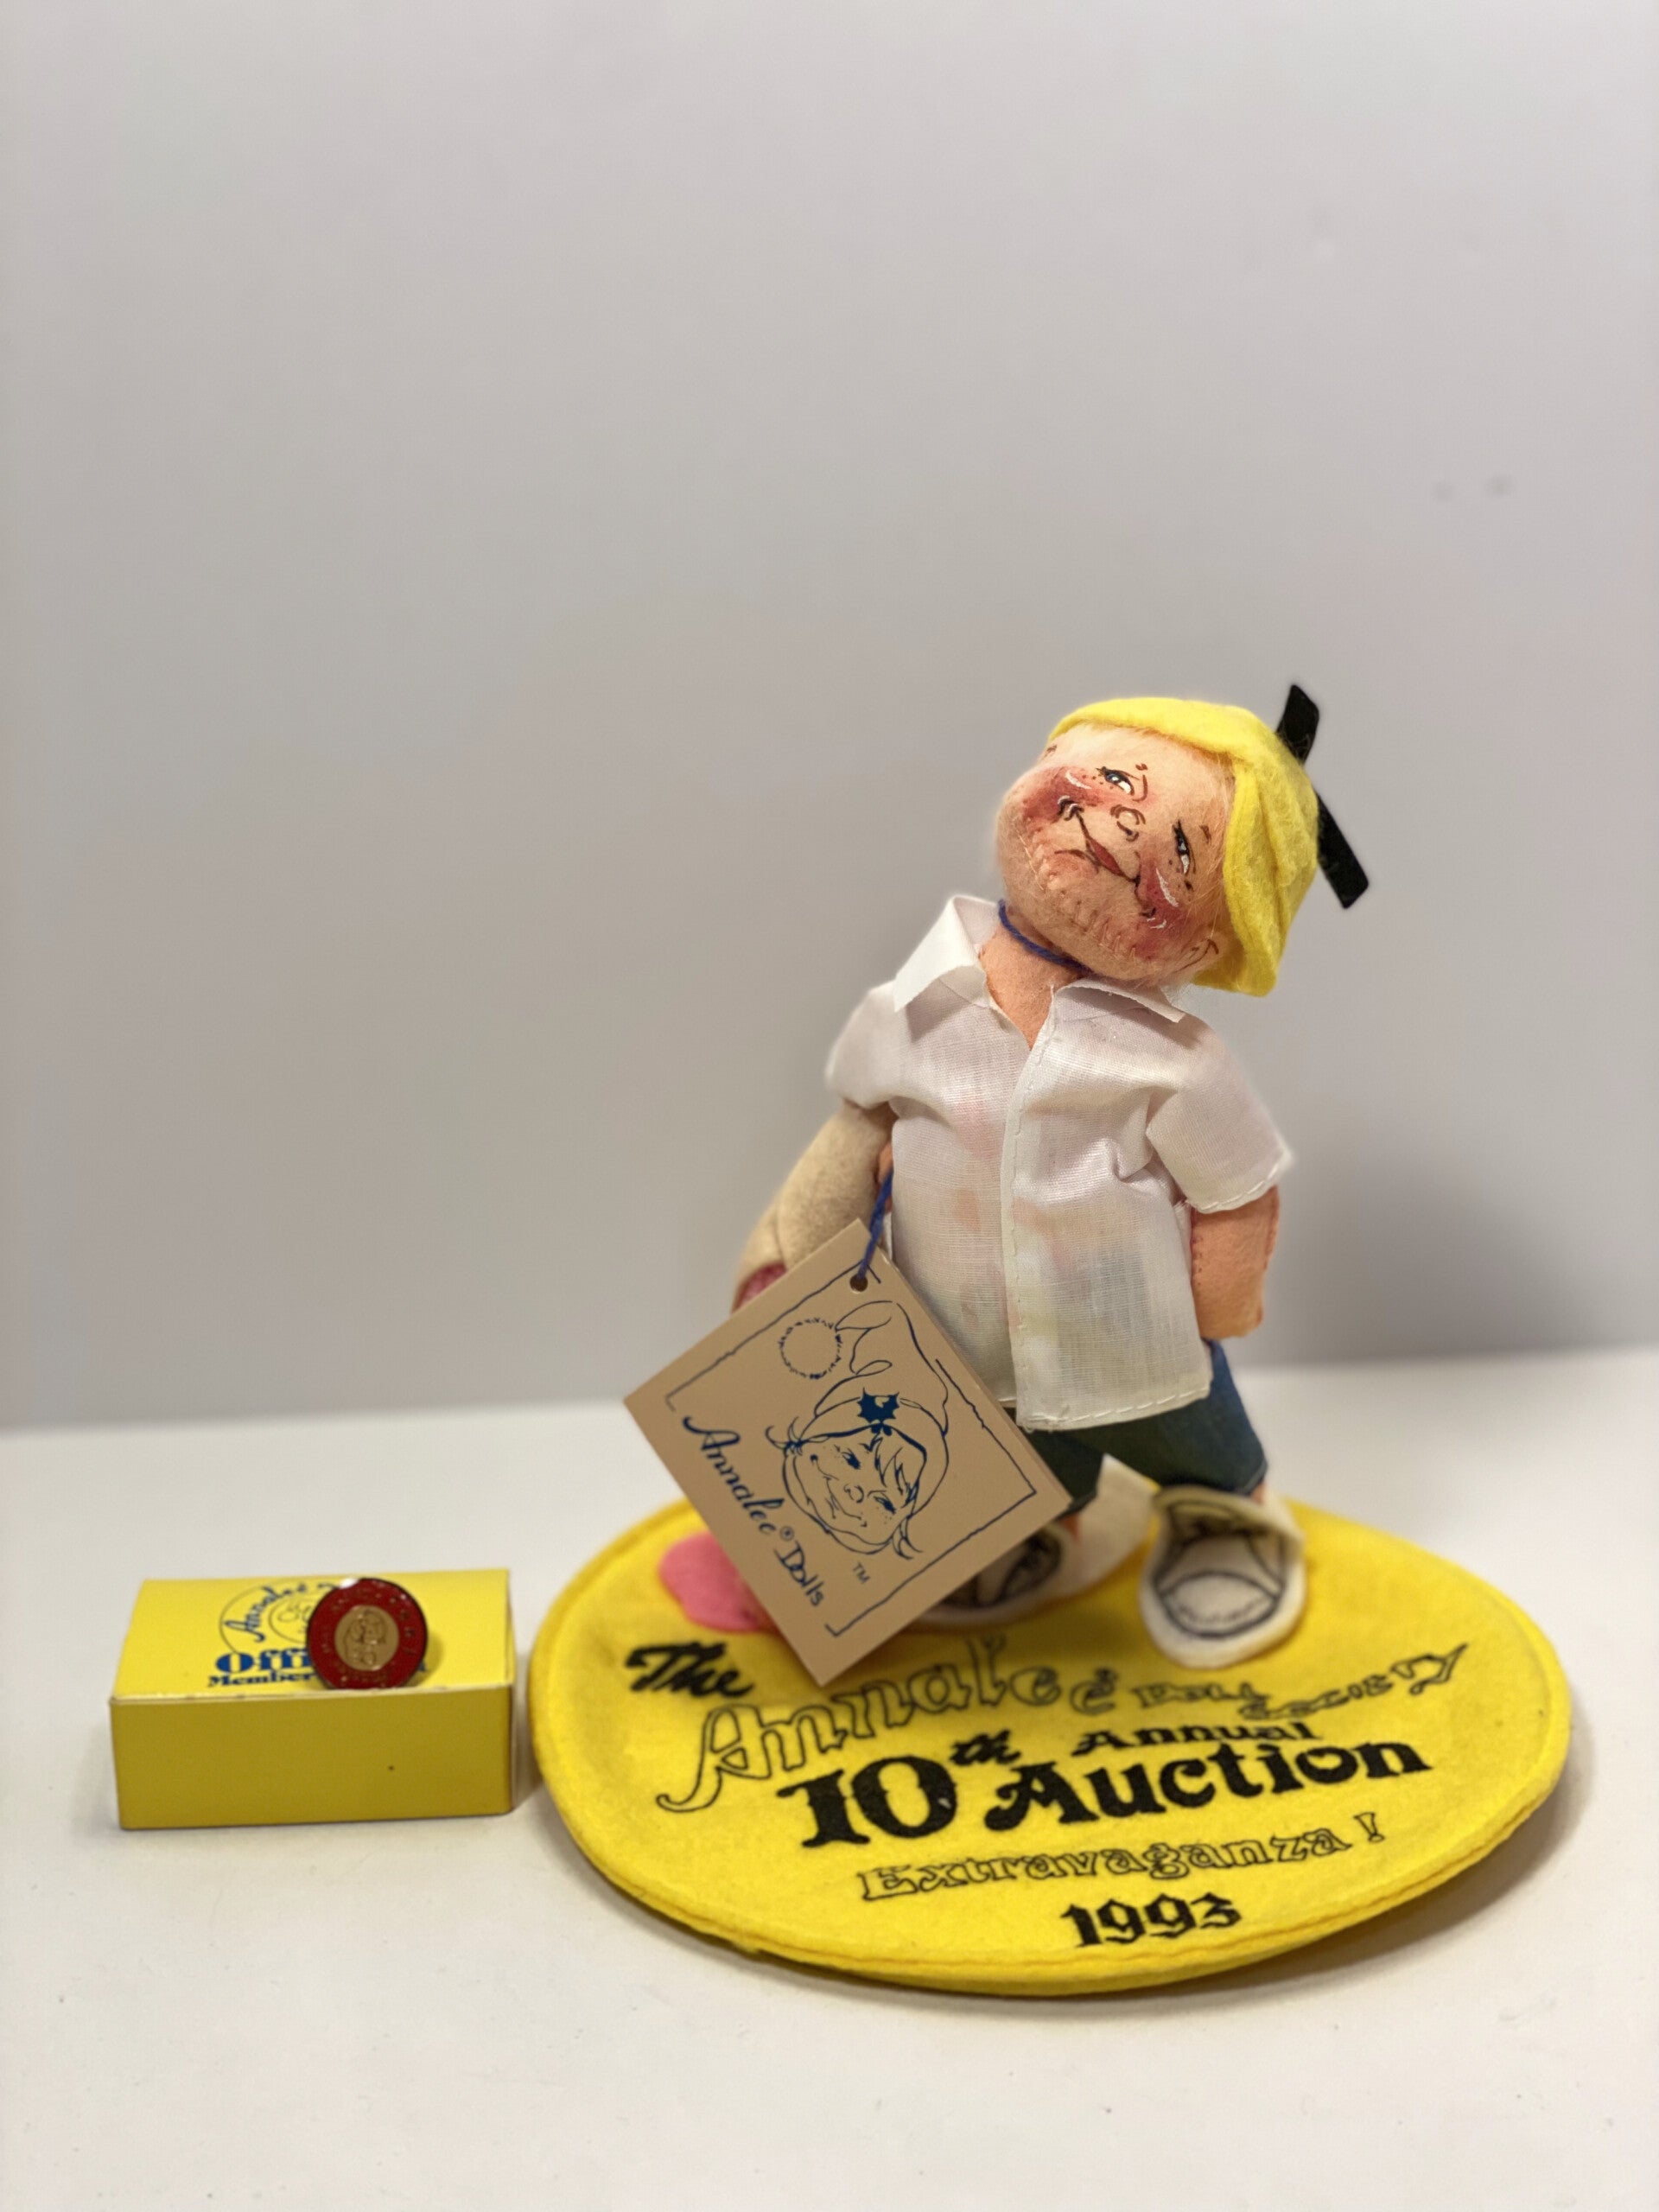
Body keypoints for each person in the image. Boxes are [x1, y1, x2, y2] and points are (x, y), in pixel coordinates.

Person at [670, 694, 1360, 1666]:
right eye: (1111, 779)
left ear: (1215, 943)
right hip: (959, 1343)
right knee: (1009, 1451)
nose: (1122, 828)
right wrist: (798, 1255)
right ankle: (1033, 1524)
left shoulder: (1177, 1061)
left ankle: (1225, 1518)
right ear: (1049, 759)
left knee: (1193, 1436)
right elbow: (859, 1131)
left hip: (1139, 1334)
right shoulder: (912, 1006)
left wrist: (1222, 1302)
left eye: (1183, 852)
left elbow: (1235, 1190)